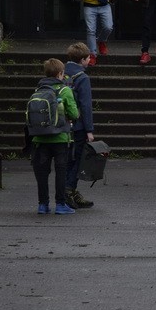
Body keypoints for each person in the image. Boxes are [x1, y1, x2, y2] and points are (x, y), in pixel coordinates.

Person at [31, 58, 80, 215]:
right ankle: (60, 204)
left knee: (42, 173)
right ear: (60, 73)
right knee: (61, 172)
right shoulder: (65, 91)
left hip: (39, 138)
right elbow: (74, 113)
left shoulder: (38, 90)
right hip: (59, 138)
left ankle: (42, 205)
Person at [63, 42, 95, 209]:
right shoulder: (82, 77)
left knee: (68, 159)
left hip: (62, 124)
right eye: (89, 58)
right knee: (79, 160)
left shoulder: (61, 73)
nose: (90, 60)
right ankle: (69, 190)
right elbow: (86, 105)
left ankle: (71, 191)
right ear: (82, 59)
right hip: (79, 126)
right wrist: (89, 129)